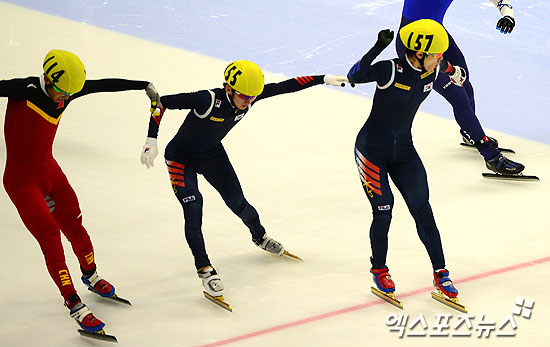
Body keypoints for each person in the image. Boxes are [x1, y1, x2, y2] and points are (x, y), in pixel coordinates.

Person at [139, 60, 349, 306]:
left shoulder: (248, 95)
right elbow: (160, 103)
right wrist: (151, 138)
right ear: (228, 88)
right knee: (194, 208)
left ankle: (259, 237)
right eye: (244, 96)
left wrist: (322, 78)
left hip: (212, 155)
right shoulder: (206, 99)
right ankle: (204, 268)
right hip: (180, 159)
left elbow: (285, 86)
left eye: (253, 97)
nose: (248, 101)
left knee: (239, 204)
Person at [1, 49, 161, 334]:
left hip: (49, 171)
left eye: (69, 94)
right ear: (48, 79)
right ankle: (73, 303)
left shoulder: (68, 90)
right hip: (21, 181)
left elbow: (102, 85)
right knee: (50, 236)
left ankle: (91, 275)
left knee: (75, 224)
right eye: (61, 92)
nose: (65, 98)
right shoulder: (21, 89)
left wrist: (142, 85)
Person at [347, 20, 463, 305]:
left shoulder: (433, 68)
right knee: (384, 211)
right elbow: (354, 75)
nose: (440, 59)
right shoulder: (390, 69)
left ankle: (441, 272)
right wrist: (377, 47)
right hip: (371, 151)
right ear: (420, 52)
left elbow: (449, 68)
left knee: (423, 210)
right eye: (436, 54)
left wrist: (456, 72)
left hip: (405, 152)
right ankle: (379, 269)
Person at [396, 0, 524, 176]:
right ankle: (491, 156)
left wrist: (508, 15)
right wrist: (448, 68)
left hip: (437, 35)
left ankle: (469, 132)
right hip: (414, 46)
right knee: (458, 97)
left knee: (465, 81)